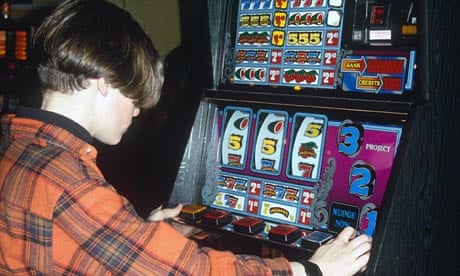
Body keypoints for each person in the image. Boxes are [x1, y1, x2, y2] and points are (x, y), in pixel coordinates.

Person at [0, 0, 372, 275]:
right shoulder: (68, 184)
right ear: (104, 82)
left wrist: (146, 234)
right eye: (134, 98)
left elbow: (75, 244)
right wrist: (314, 270)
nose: (136, 112)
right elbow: (192, 272)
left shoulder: (18, 147)